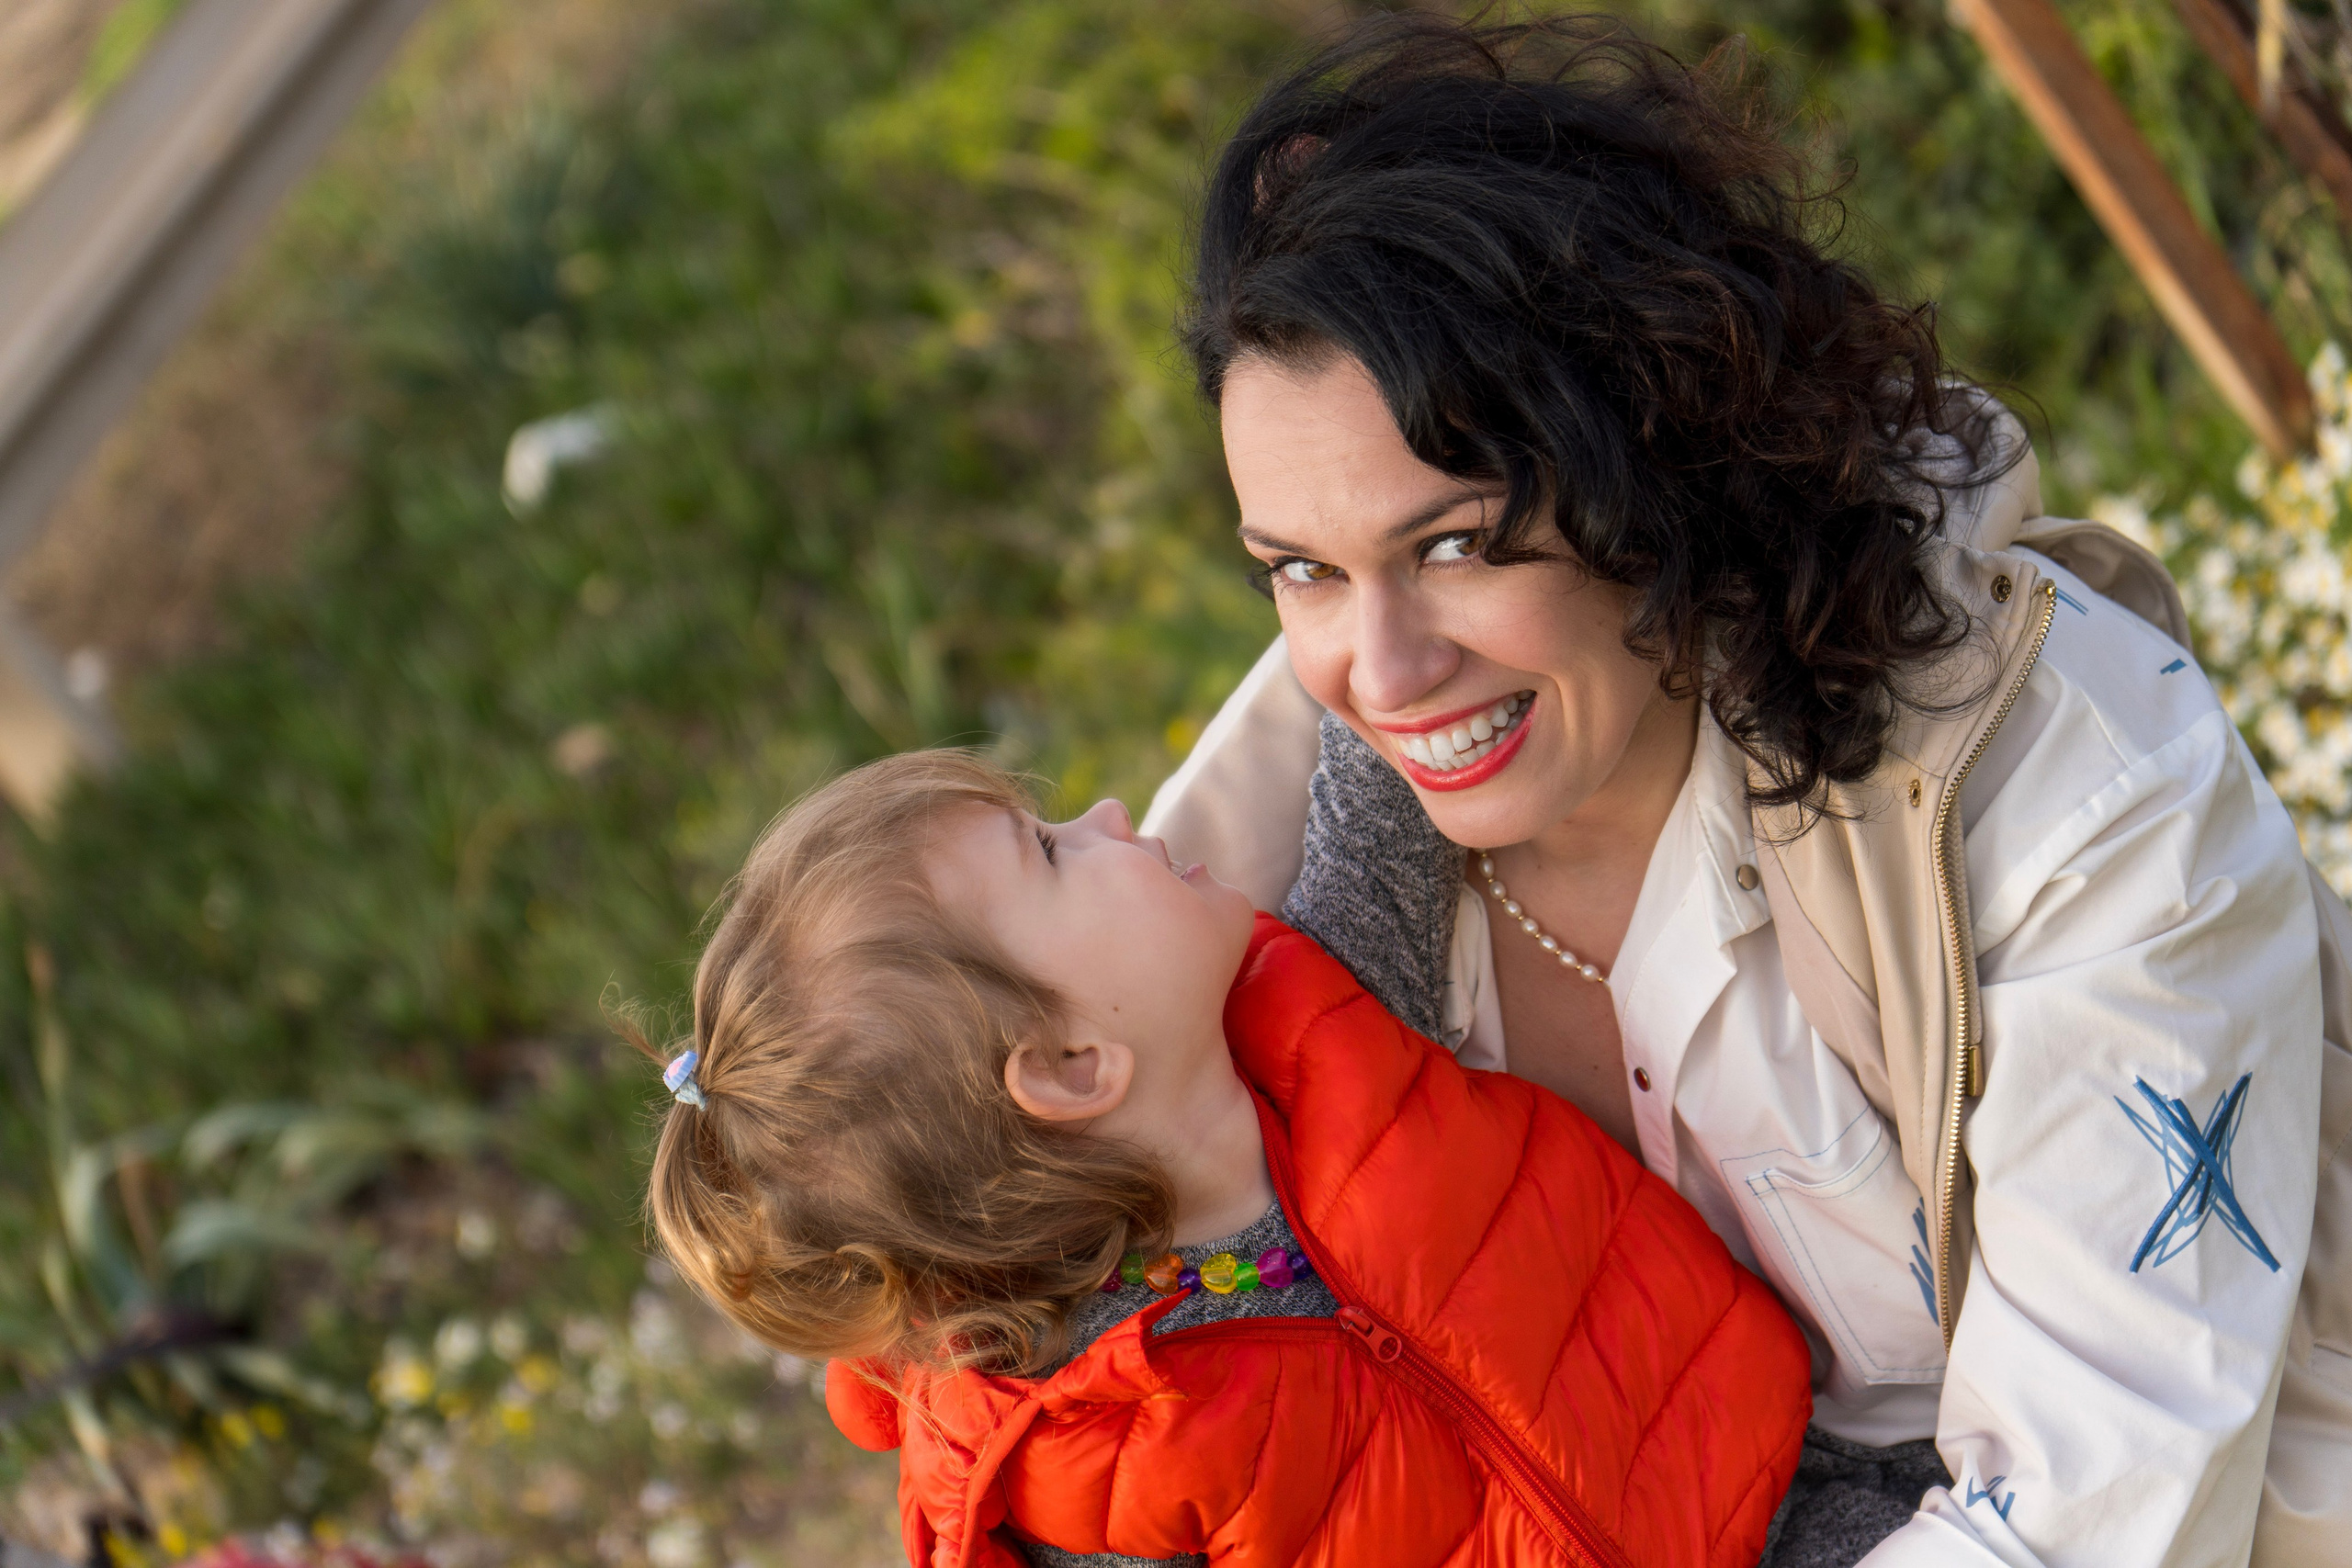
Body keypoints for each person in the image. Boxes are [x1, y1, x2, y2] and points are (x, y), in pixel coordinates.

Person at [1143, 13, 2352, 1568]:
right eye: (1301, 570)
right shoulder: (1272, 883)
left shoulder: (2077, 786)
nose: (1378, 671)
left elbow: (2081, 1516)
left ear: (1656, 452)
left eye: (1455, 543)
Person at [630, 749, 1813, 1567]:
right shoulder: (1094, 1470)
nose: (1103, 815)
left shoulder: (1330, 1006)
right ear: (1073, 1065)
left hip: (1811, 1482)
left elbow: (1378, 753)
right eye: (1049, 852)